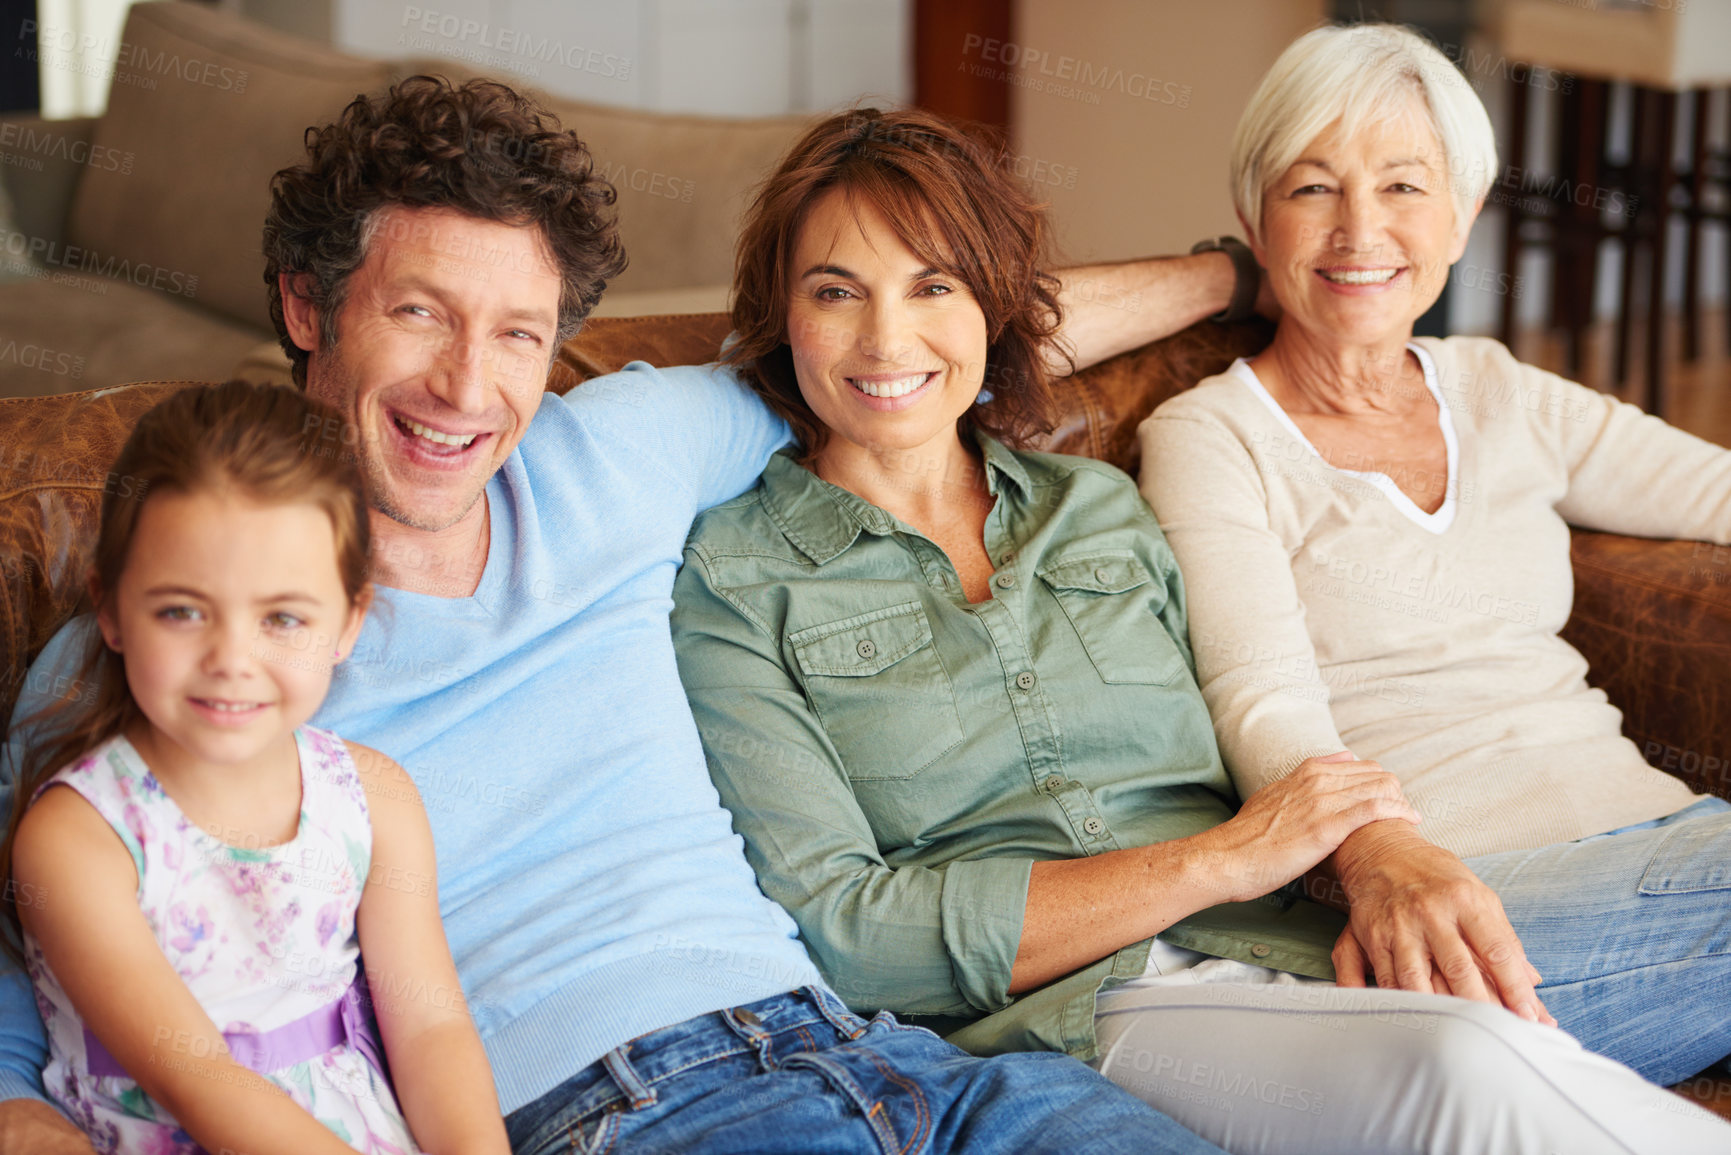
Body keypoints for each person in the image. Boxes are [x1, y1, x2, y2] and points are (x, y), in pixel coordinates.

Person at [0, 75, 1254, 1155]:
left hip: (889, 1060)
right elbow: (35, 1000)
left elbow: (924, 360)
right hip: (607, 1111)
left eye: (518, 337)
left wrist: (1237, 275)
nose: (464, 387)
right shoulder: (190, 649)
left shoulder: (620, 455)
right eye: (420, 312)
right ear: (304, 308)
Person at [668, 104, 1731, 1153]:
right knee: (1462, 1067)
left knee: (1503, 1062)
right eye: (834, 292)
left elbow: (1254, 691)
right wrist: (1225, 860)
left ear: (992, 305)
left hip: (1298, 949)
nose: (888, 339)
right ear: (780, 315)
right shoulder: (735, 580)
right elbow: (853, 934)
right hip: (1086, 1011)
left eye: (934, 286)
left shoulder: (1095, 508)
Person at [1138, 22, 1731, 1089]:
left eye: (1406, 186)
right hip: (1461, 898)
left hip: (1673, 847)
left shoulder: (1499, 388)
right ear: (1253, 221)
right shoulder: (1209, 438)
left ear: (1461, 218)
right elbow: (1259, 699)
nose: (1361, 229)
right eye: (1313, 188)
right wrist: (1374, 857)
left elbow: (1719, 490)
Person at [1, 382, 509, 1154]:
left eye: (282, 617)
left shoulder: (373, 799)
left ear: (347, 622)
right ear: (110, 609)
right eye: (181, 610)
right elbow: (195, 1076)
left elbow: (432, 1026)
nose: (231, 660)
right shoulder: (77, 838)